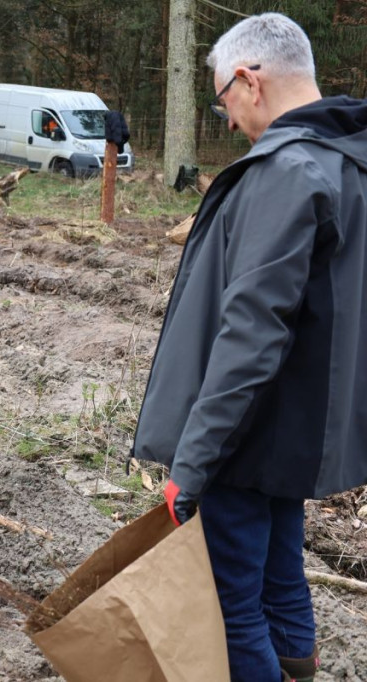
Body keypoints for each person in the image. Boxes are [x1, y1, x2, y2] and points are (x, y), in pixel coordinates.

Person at [132, 13, 367, 682]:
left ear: (247, 80)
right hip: (298, 431)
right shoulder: (349, 162)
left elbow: (252, 329)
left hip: (244, 433)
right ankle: (299, 669)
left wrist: (194, 460)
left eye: (222, 99)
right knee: (278, 573)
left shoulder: (286, 171)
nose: (227, 121)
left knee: (230, 607)